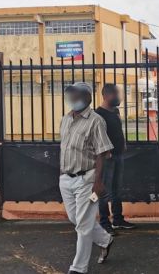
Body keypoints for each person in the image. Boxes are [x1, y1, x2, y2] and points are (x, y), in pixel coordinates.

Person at [59, 82, 114, 274]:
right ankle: (105, 240)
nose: (74, 99)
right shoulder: (65, 119)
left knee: (83, 225)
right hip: (66, 179)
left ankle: (78, 268)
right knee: (76, 219)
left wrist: (97, 183)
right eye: (71, 96)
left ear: (88, 97)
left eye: (78, 95)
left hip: (87, 179)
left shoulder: (96, 120)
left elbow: (102, 154)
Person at [96, 84, 136, 235]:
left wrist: (123, 143)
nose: (118, 97)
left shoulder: (116, 111)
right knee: (104, 192)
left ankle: (118, 220)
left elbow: (119, 129)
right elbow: (98, 136)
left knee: (116, 190)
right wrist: (106, 152)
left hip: (119, 154)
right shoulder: (98, 114)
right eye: (115, 94)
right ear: (106, 96)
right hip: (107, 157)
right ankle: (105, 223)